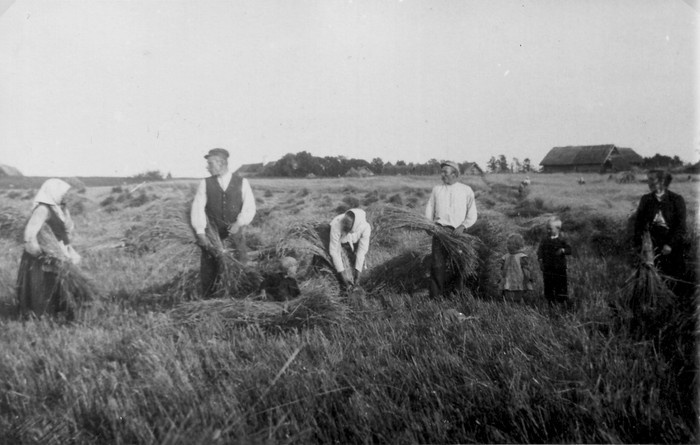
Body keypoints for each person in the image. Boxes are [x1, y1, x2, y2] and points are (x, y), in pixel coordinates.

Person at [191, 148, 256, 298]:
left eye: (210, 163)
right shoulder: (205, 183)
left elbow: (249, 207)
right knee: (210, 273)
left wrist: (238, 223)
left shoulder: (242, 182)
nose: (207, 167)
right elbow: (198, 208)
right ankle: (209, 302)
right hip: (212, 237)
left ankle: (238, 301)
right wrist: (201, 233)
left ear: (222, 163)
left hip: (235, 236)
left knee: (239, 268)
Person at [17, 178, 82, 318]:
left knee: (61, 285)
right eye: (63, 193)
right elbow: (29, 236)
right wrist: (41, 254)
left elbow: (67, 229)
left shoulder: (58, 208)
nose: (66, 195)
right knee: (43, 287)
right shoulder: (42, 209)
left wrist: (65, 211)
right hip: (42, 256)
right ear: (53, 191)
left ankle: (61, 315)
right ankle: (41, 318)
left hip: (58, 251)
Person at [424, 160, 477, 298]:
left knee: (459, 264)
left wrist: (463, 226)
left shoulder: (466, 190)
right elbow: (430, 208)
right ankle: (435, 297)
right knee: (437, 265)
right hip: (440, 231)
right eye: (442, 172)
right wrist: (429, 225)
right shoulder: (437, 189)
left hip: (458, 233)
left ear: (454, 174)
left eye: (445, 172)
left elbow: (472, 213)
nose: (442, 175)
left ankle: (456, 294)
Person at [633, 170, 686, 284]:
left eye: (652, 180)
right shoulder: (646, 199)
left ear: (662, 181)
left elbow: (681, 227)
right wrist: (640, 245)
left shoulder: (676, 200)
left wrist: (670, 244)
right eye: (648, 180)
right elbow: (639, 224)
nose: (649, 183)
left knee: (672, 278)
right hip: (652, 244)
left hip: (671, 244)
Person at [320, 208, 371, 289]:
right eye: (345, 228)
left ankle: (356, 278)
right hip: (341, 241)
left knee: (358, 264)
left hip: (354, 240)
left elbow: (362, 251)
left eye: (347, 229)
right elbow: (334, 251)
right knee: (339, 267)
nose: (345, 230)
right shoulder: (337, 224)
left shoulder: (365, 227)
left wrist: (357, 275)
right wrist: (342, 275)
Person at [537, 216, 572, 307]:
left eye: (550, 229)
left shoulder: (562, 240)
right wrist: (540, 261)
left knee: (561, 285)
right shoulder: (545, 240)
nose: (548, 231)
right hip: (548, 268)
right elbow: (540, 251)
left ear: (558, 229)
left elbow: (569, 250)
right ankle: (550, 302)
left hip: (559, 268)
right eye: (547, 229)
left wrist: (563, 250)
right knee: (548, 285)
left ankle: (562, 302)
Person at [498, 233, 533, 303]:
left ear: (517, 245)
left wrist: (527, 278)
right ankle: (507, 304)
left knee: (518, 294)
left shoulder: (521, 256)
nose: (507, 245)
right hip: (507, 277)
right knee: (506, 291)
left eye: (510, 244)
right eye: (507, 243)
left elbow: (526, 269)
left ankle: (519, 303)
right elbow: (500, 266)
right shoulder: (506, 256)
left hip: (518, 279)